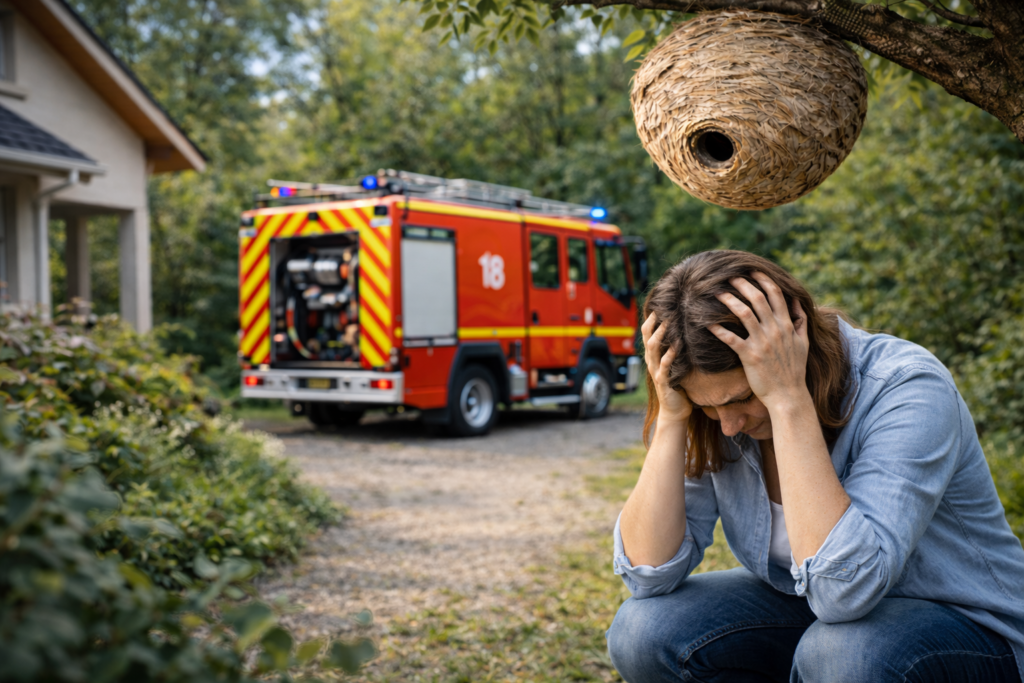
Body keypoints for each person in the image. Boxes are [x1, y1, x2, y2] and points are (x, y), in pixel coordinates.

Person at [607, 250, 1024, 683]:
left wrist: (787, 400)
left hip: (970, 627)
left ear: (792, 344)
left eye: (741, 399)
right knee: (642, 632)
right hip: (821, 616)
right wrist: (675, 418)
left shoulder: (906, 387)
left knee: (842, 654)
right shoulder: (712, 412)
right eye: (708, 407)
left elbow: (845, 594)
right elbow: (648, 575)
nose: (730, 426)